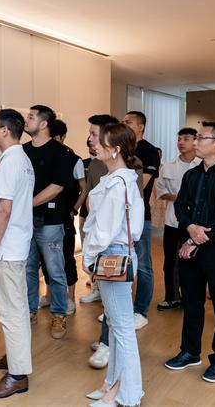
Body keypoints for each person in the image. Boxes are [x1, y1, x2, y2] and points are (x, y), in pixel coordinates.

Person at [165, 121, 215, 383]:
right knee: (191, 301)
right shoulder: (192, 175)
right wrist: (190, 228)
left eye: (201, 138)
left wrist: (196, 238)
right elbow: (181, 207)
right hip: (190, 244)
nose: (196, 141)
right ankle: (190, 351)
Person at [82, 123, 145, 407]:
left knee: (122, 329)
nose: (93, 143)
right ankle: (112, 384)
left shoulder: (119, 182)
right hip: (115, 252)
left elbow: (104, 229)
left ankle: (126, 394)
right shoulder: (118, 178)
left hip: (111, 254)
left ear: (115, 149)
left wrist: (88, 257)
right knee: (117, 325)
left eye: (100, 141)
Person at [0, 109, 36, 399]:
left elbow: (4, 209)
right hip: (15, 245)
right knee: (16, 308)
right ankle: (15, 359)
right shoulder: (21, 159)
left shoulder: (10, 162)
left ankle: (17, 376)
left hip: (7, 249)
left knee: (11, 311)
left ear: (4, 130)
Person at [22, 105, 73, 339]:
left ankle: (59, 314)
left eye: (31, 117)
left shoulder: (60, 152)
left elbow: (57, 186)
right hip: (25, 222)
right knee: (29, 268)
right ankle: (30, 310)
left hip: (51, 221)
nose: (26, 120)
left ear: (43, 124)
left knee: (55, 270)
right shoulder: (22, 151)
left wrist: (28, 203)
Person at [38, 119, 85, 315]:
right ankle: (49, 295)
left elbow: (83, 189)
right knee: (46, 258)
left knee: (66, 257)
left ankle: (70, 298)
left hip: (64, 216)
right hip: (43, 216)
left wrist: (74, 209)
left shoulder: (74, 160)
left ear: (62, 137)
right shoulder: (41, 157)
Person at [122, 111, 160, 330]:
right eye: (122, 122)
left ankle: (141, 311)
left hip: (138, 216)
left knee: (143, 265)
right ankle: (119, 309)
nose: (124, 124)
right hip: (117, 217)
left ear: (141, 127)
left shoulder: (148, 151)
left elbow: (139, 186)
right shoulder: (121, 149)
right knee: (120, 262)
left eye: (128, 122)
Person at [155, 127, 200, 311]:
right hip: (173, 221)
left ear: (195, 141)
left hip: (197, 223)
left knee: (194, 262)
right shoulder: (168, 166)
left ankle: (192, 299)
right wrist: (181, 198)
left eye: (186, 139)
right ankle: (172, 297)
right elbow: (161, 192)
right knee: (171, 263)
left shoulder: (202, 165)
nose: (181, 142)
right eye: (179, 139)